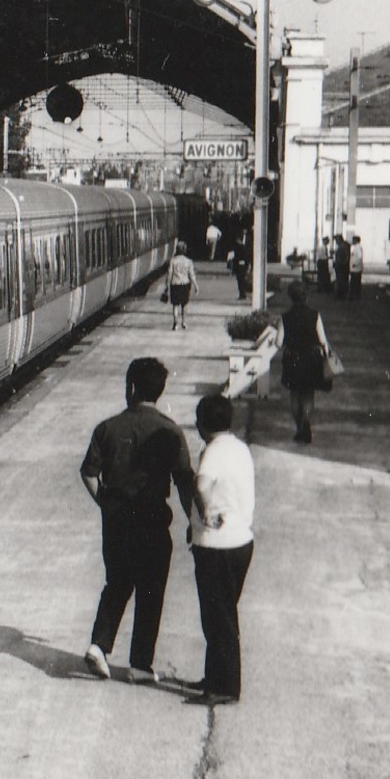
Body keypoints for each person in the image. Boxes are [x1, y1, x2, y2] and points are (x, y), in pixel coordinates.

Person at [79, 358, 195, 684]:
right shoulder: (171, 431)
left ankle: (99, 647)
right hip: (154, 522)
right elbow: (185, 482)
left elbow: (88, 474)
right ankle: (140, 665)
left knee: (116, 584)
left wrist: (104, 500)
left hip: (117, 521)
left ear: (130, 388)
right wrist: (192, 521)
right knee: (151, 591)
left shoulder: (107, 428)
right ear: (160, 391)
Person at [182, 393, 256, 707]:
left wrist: (203, 513)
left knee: (217, 618)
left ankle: (224, 687)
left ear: (201, 425)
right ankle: (215, 677)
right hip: (241, 542)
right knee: (223, 614)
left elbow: (200, 486)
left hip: (216, 546)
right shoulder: (240, 449)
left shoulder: (211, 451)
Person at [277, 280, 332, 444]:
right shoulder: (315, 315)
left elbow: (279, 342)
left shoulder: (284, 317)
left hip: (293, 358)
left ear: (290, 297)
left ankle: (299, 428)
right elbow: (323, 340)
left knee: (294, 394)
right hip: (312, 358)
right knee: (308, 394)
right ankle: (306, 422)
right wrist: (327, 354)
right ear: (306, 296)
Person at [166, 241, 197, 330]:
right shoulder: (189, 261)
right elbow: (191, 274)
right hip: (185, 284)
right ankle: (184, 322)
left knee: (175, 305)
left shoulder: (173, 260)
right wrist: (196, 285)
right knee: (185, 304)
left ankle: (175, 323)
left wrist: (167, 285)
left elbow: (169, 273)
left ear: (177, 250)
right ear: (185, 250)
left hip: (175, 284)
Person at [229, 232, 251, 301]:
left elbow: (238, 257)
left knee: (241, 281)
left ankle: (242, 294)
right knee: (241, 280)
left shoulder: (239, 247)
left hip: (240, 266)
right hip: (242, 266)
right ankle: (242, 294)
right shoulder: (241, 247)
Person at [333, 234, 352, 299]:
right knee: (342, 280)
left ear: (339, 240)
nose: (336, 242)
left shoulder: (343, 246)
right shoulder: (344, 245)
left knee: (341, 280)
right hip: (341, 265)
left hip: (341, 266)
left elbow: (346, 256)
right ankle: (341, 294)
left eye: (336, 240)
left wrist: (342, 263)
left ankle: (341, 295)